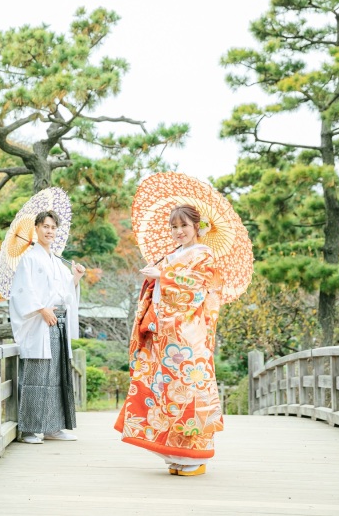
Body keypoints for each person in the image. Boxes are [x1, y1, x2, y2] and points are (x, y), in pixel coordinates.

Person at [114, 204, 223, 476]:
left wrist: (163, 275)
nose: (178, 232)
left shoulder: (204, 255)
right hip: (165, 332)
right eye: (174, 227)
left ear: (197, 227)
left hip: (188, 335)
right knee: (164, 390)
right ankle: (175, 453)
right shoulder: (173, 254)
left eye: (184, 226)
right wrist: (154, 279)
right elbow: (160, 287)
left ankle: (194, 457)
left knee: (189, 390)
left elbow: (199, 287)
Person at [9, 210, 86, 444]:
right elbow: (21, 292)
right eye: (45, 226)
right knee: (37, 375)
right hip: (40, 324)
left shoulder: (56, 260)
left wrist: (76, 277)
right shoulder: (30, 259)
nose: (49, 231)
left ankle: (54, 426)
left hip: (57, 324)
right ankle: (30, 429)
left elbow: (65, 292)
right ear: (37, 229)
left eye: (53, 227)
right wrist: (42, 308)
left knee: (57, 376)